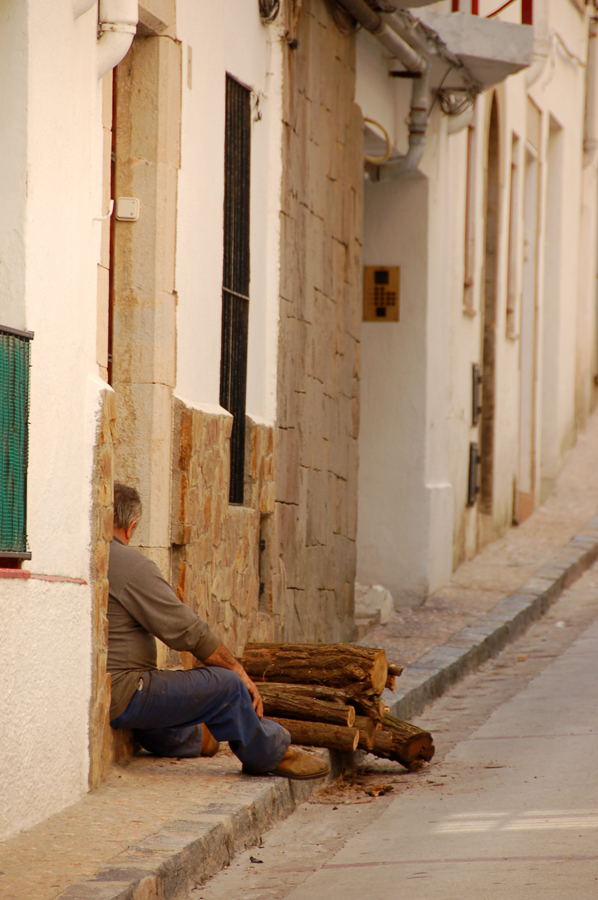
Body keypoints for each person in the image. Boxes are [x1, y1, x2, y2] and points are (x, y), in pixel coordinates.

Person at [107, 482, 329, 780]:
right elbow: (186, 629)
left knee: (162, 710)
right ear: (131, 526)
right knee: (228, 686)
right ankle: (270, 754)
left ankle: (198, 737)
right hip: (126, 692)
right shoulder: (128, 563)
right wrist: (238, 671)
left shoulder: (95, 555)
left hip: (120, 691)